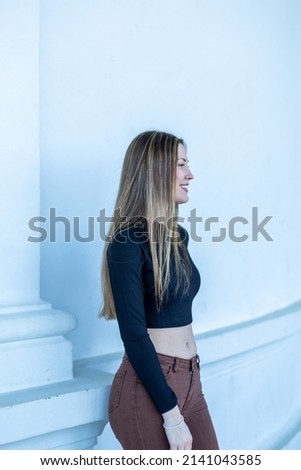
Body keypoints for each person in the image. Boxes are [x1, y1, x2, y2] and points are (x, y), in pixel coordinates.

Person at [100, 130, 219, 450]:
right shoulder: (126, 242)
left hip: (192, 381)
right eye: (181, 164)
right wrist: (171, 415)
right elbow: (134, 335)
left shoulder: (177, 236)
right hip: (149, 389)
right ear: (155, 170)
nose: (190, 174)